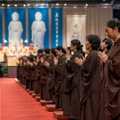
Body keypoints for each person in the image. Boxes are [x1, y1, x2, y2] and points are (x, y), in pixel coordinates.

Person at [75, 34, 101, 120]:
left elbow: (88, 71)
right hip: (93, 84)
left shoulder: (93, 54)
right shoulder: (93, 53)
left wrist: (81, 64)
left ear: (91, 43)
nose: (85, 43)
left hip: (92, 86)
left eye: (87, 41)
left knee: (91, 107)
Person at [98, 18, 120, 120]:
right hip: (108, 86)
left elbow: (118, 67)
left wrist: (106, 61)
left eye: (107, 31)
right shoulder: (114, 45)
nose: (106, 34)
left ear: (115, 29)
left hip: (117, 89)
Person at [63, 39, 83, 120]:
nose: (70, 47)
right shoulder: (78, 54)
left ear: (75, 46)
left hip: (75, 79)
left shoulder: (76, 55)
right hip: (77, 78)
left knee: (75, 98)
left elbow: (71, 68)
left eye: (71, 45)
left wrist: (67, 60)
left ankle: (75, 116)